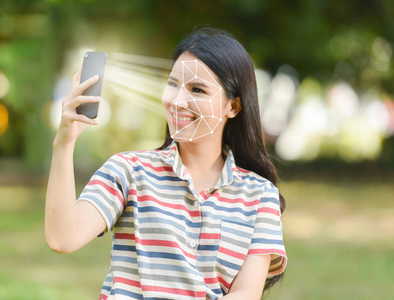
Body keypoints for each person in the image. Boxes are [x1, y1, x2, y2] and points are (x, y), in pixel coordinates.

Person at [45, 28, 287, 300]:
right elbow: (62, 238)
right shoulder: (129, 170)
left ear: (233, 106)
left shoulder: (260, 195)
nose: (177, 101)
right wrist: (63, 144)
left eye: (197, 89)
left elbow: (246, 294)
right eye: (172, 84)